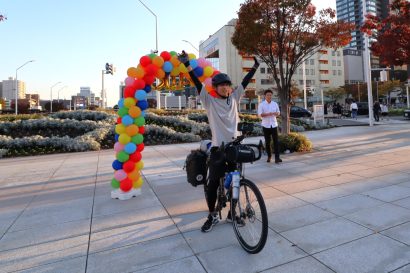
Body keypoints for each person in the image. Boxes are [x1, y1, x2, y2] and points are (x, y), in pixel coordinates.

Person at [178, 50, 260, 233]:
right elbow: (197, 82)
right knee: (213, 184)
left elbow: (245, 82)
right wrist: (187, 65)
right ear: (215, 88)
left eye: (227, 85)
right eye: (221, 85)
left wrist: (254, 67)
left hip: (235, 148)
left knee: (236, 181)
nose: (225, 87)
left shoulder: (235, 98)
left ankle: (232, 213)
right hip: (218, 149)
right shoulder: (209, 101)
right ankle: (212, 214)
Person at [257, 89, 282, 164]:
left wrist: (276, 113)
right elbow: (259, 114)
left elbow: (278, 112)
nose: (269, 96)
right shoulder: (261, 104)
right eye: (268, 95)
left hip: (274, 125)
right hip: (266, 125)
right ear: (265, 96)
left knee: (276, 142)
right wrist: (268, 114)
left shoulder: (275, 104)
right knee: (267, 142)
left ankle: (277, 158)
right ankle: (269, 156)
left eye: (270, 95)